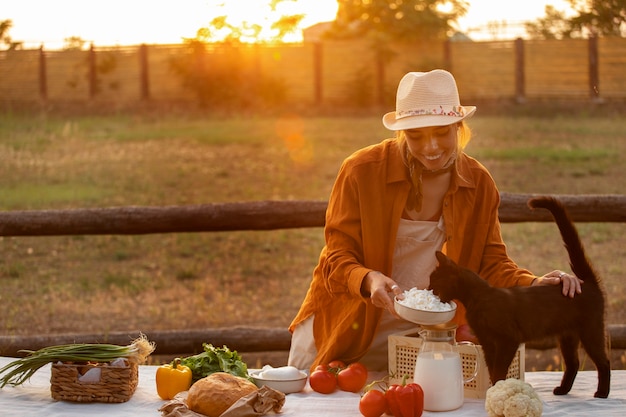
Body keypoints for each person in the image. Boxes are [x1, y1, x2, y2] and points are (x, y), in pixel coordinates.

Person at [287, 69, 582, 372]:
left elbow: (490, 263)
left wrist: (535, 284)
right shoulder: (361, 171)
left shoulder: (478, 183)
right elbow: (337, 256)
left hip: (416, 338)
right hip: (344, 325)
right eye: (416, 135)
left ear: (459, 126)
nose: (430, 147)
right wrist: (368, 279)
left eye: (441, 132)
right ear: (401, 133)